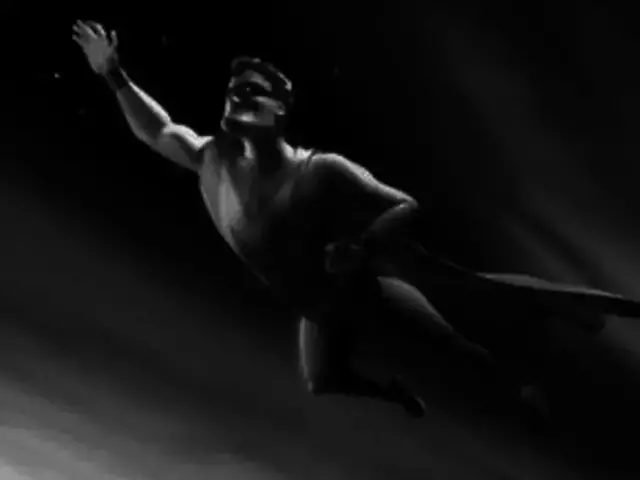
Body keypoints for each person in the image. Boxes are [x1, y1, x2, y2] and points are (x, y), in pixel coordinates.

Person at [73, 20, 640, 420]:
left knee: (469, 316)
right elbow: (156, 129)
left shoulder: (321, 170)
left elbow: (403, 204)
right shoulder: (210, 159)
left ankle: (584, 329)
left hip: (364, 287)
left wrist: (362, 246)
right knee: (323, 380)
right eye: (232, 90)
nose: (235, 98)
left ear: (278, 109)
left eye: (251, 92)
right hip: (317, 305)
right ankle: (401, 395)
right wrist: (114, 75)